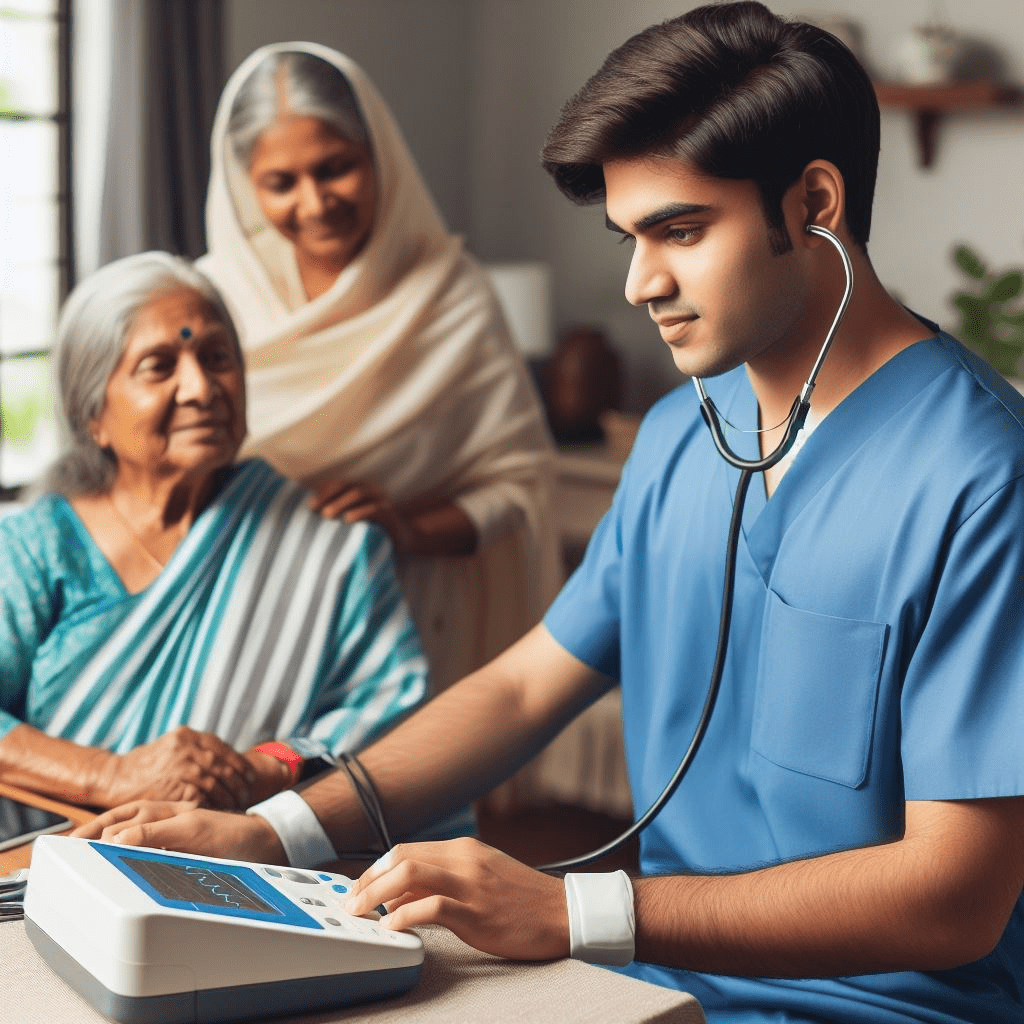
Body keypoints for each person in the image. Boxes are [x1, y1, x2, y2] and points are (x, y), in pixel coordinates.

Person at [79, 5, 1024, 1022]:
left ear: (814, 203)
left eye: (681, 230)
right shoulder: (677, 435)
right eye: (627, 236)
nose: (638, 282)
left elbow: (955, 899)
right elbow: (526, 687)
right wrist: (280, 831)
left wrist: (580, 909)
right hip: (652, 991)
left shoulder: (981, 476)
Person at [0, 252, 431, 826]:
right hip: (44, 861)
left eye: (216, 357)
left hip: (249, 858)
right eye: (159, 366)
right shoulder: (36, 548)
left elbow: (393, 708)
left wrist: (265, 768)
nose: (201, 389)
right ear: (92, 416)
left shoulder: (329, 543)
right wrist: (113, 775)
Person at [198, 42, 560, 693]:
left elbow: (519, 486)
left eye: (336, 168)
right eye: (281, 183)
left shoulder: (452, 294)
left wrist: (408, 531)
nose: (315, 202)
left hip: (404, 625)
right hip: (230, 628)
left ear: (379, 156)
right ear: (246, 187)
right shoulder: (211, 298)